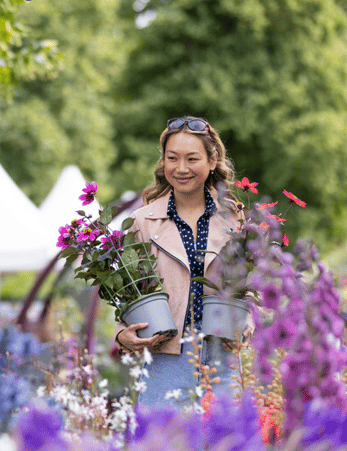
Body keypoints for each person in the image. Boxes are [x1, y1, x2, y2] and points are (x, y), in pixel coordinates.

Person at [114, 116, 252, 410]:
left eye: (192, 159)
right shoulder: (143, 221)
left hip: (221, 351)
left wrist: (250, 315)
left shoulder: (234, 218)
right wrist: (121, 333)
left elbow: (246, 285)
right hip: (165, 354)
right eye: (172, 158)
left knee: (225, 440)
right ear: (163, 162)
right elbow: (129, 291)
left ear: (212, 161)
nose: (181, 168)